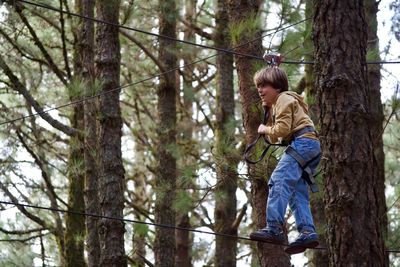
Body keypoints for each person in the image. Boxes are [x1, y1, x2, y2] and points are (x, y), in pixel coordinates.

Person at [249, 66, 321, 255]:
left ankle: (273, 228)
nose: (260, 91)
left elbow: (279, 131)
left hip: (303, 144)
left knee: (279, 180)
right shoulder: (283, 102)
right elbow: (276, 137)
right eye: (258, 87)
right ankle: (307, 231)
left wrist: (265, 128)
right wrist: (268, 125)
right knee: (297, 191)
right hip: (309, 145)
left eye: (264, 86)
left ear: (277, 87)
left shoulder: (283, 99)